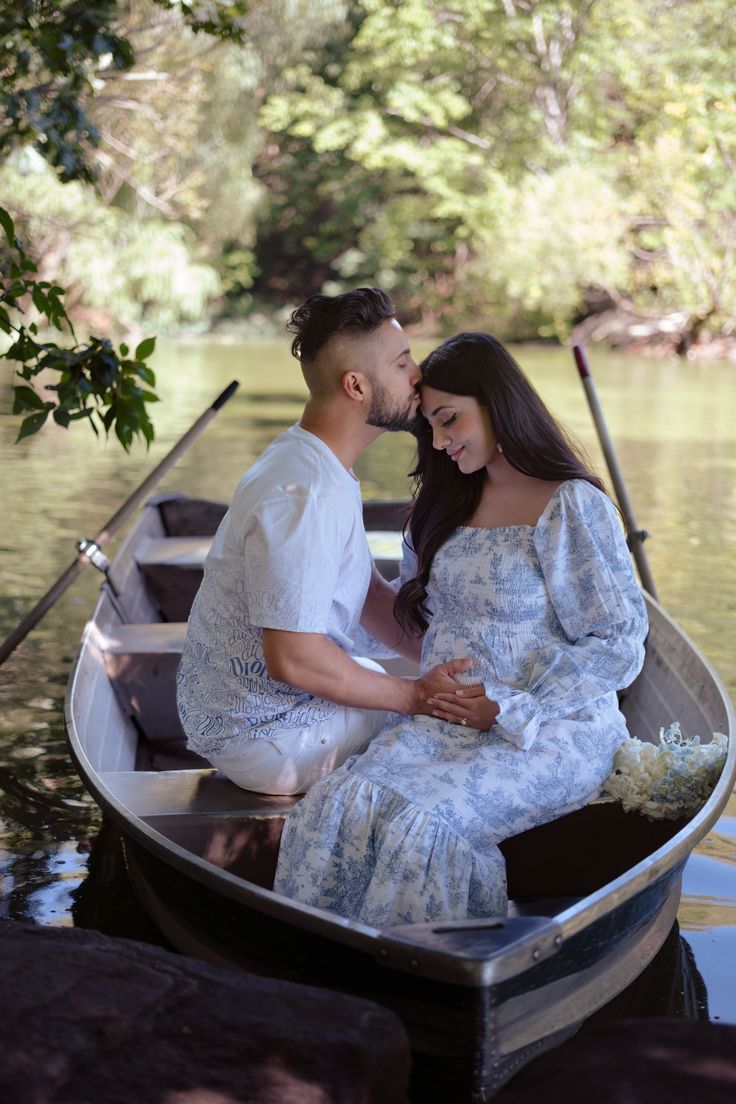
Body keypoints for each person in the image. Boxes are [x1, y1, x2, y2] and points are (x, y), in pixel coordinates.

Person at [273, 331, 649, 926]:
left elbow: (618, 643)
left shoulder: (569, 504)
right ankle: (327, 978)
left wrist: (506, 708)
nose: (442, 442)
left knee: (424, 825)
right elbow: (417, 621)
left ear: (498, 402)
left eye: (450, 421)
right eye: (431, 428)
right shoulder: (440, 508)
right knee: (338, 803)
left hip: (552, 731)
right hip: (444, 722)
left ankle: (437, 985)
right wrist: (319, 571)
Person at [176, 288, 474, 797]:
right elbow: (293, 658)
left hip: (251, 713)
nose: (418, 375)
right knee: (453, 732)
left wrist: (438, 651)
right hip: (265, 737)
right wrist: (416, 698)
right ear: (356, 385)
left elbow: (364, 590)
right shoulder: (305, 495)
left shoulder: (311, 458)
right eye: (402, 363)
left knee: (410, 688)